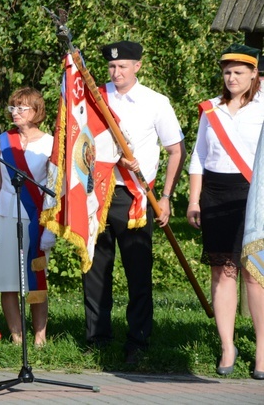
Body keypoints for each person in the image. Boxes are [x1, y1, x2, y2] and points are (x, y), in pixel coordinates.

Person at [82, 40, 186, 364]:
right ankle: (97, 339)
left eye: (123, 66)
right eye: (112, 67)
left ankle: (138, 342)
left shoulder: (155, 102)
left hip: (136, 197)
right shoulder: (94, 98)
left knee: (138, 272)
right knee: (95, 269)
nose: (116, 72)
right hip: (98, 193)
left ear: (137, 66)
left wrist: (166, 197)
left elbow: (176, 150)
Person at [186, 43, 264, 377]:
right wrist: (193, 199)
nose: (231, 77)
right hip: (215, 194)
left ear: (254, 74)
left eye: (238, 72)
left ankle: (262, 351)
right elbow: (199, 156)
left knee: (255, 273)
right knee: (222, 272)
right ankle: (227, 347)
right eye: (227, 72)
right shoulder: (211, 109)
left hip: (253, 192)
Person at [0, 88, 54, 346]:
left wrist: (51, 226)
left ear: (36, 112)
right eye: (13, 107)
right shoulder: (4, 140)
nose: (15, 113)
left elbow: (54, 187)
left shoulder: (49, 143)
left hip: (35, 219)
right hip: (4, 214)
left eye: (22, 108)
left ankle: (39, 338)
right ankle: (16, 337)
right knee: (7, 280)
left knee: (35, 280)